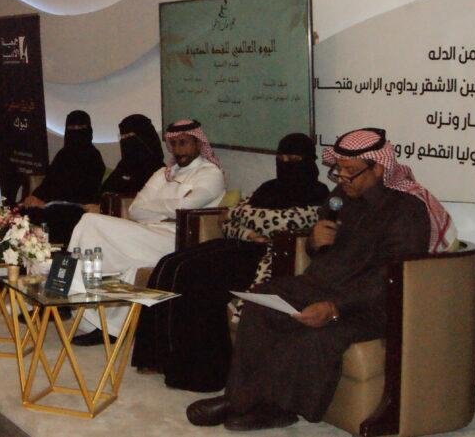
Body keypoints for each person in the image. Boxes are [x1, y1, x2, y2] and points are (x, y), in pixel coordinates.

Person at [186, 127, 455, 430]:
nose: (342, 178)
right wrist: (314, 241)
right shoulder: (340, 197)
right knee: (262, 302)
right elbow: (320, 252)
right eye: (339, 169)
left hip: (370, 304)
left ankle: (279, 408)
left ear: (379, 168)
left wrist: (334, 307)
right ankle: (237, 398)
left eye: (350, 171)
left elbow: (390, 276)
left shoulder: (406, 210)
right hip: (321, 285)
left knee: (317, 337)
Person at [132, 133, 328, 391]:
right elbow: (226, 223)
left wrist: (241, 216)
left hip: (267, 257)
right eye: (281, 158)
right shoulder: (268, 187)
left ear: (308, 161)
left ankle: (205, 374)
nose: (285, 163)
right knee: (171, 264)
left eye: (293, 159)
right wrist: (248, 232)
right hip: (242, 243)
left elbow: (284, 223)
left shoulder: (318, 193)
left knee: (198, 278)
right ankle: (158, 357)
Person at [68, 119, 226, 346]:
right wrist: (167, 210)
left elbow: (186, 208)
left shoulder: (210, 174)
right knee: (89, 223)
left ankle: (71, 287)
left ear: (198, 143)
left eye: (184, 143)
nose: (178, 150)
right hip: (149, 231)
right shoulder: (163, 173)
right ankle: (105, 324)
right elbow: (135, 209)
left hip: (179, 239)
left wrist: (158, 208)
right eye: (174, 144)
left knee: (91, 222)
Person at [21, 110, 106, 245]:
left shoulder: (94, 156)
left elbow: (90, 188)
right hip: (53, 205)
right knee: (22, 213)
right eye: (72, 128)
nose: (76, 132)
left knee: (60, 216)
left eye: (80, 128)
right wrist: (36, 196)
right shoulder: (63, 154)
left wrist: (56, 202)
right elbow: (49, 181)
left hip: (78, 207)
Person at [100, 114, 165, 196]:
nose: (125, 140)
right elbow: (104, 191)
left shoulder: (159, 172)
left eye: (129, 136)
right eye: (122, 136)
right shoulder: (123, 166)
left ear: (145, 138)